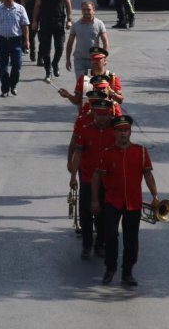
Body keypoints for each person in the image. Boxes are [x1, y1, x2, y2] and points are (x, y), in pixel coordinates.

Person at [91, 115, 159, 286]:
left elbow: (148, 174)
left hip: (133, 203)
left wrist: (155, 196)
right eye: (119, 131)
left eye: (126, 130)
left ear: (130, 132)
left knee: (131, 238)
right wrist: (94, 200)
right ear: (114, 133)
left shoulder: (141, 152)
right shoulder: (107, 153)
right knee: (111, 235)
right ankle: (110, 268)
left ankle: (127, 272)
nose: (123, 134)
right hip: (112, 202)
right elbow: (96, 176)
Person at [69, 102, 116, 259]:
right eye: (99, 115)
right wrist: (73, 175)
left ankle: (100, 245)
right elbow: (78, 154)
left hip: (108, 181)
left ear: (110, 115)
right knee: (86, 212)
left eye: (105, 115)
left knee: (104, 215)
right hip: (88, 179)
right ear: (94, 115)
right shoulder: (85, 131)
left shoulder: (115, 132)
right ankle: (87, 244)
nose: (102, 118)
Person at [0, 0, 30, 97]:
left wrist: (27, 40)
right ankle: (5, 89)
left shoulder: (20, 9)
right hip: (2, 41)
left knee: (17, 65)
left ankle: (13, 85)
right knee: (3, 66)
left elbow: (25, 26)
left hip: (16, 41)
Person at [32, 0, 72, 79]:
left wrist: (69, 19)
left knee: (60, 47)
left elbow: (68, 4)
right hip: (45, 22)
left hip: (59, 22)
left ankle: (55, 64)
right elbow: (37, 6)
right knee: (46, 49)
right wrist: (35, 21)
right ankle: (48, 70)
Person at [65, 1, 109, 80]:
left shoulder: (99, 24)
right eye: (84, 10)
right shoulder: (76, 25)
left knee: (94, 85)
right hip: (79, 60)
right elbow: (69, 44)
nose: (86, 12)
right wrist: (68, 60)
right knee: (82, 85)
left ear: (93, 10)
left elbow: (105, 42)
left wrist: (103, 58)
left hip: (95, 61)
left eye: (88, 10)